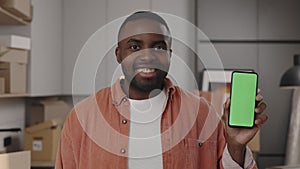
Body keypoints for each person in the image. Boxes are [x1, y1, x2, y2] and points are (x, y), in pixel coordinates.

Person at [55, 11, 268, 169]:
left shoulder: (201, 114)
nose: (147, 56)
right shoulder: (82, 117)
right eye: (135, 46)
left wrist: (236, 146)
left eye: (159, 47)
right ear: (118, 54)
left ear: (170, 54)